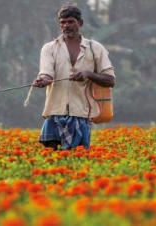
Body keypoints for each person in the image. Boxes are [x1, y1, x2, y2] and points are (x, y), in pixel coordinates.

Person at [33, 5, 115, 150]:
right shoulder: (49, 48)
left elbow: (110, 80)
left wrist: (88, 74)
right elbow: (46, 72)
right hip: (54, 111)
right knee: (49, 158)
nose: (66, 26)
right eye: (63, 22)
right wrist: (43, 80)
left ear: (80, 23)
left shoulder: (95, 48)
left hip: (81, 112)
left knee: (77, 158)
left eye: (71, 22)